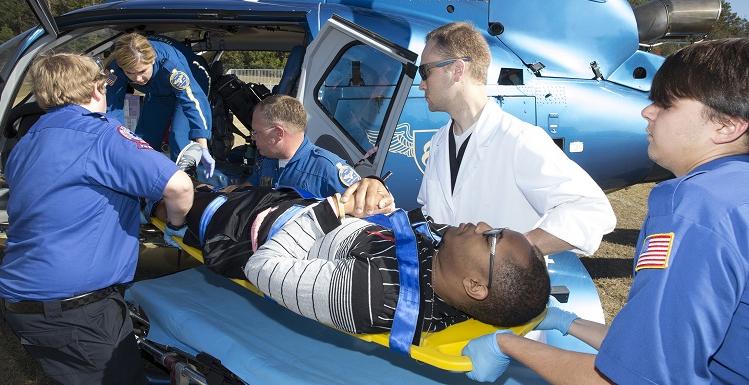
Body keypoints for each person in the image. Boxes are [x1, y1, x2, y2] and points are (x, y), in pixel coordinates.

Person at [462, 38, 749, 384]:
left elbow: (635, 378)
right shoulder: (734, 194)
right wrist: (571, 324)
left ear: (726, 125)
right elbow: (667, 345)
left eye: (666, 104)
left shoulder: (695, 208)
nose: (647, 112)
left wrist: (507, 344)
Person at [0, 53, 194, 385]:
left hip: (22, 299)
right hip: (76, 310)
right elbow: (179, 186)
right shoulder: (101, 135)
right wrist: (176, 226)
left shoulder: (28, 140)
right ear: (95, 88)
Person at [146, 178, 550, 335]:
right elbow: (407, 227)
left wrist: (335, 208)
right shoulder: (448, 264)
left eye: (490, 237)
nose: (480, 224)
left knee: (166, 196)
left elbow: (262, 268)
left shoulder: (374, 297)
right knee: (219, 185)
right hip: (283, 205)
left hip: (240, 229)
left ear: (476, 287)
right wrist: (376, 193)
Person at [417, 22, 615, 256]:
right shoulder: (441, 142)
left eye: (425, 72)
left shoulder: (519, 140)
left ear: (457, 70)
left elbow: (592, 210)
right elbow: (431, 215)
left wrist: (511, 251)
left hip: (503, 290)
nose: (421, 84)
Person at [106, 33, 216, 177]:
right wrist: (114, 142)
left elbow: (193, 101)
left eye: (142, 71)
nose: (138, 79)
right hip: (158, 90)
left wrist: (202, 144)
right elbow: (110, 105)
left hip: (194, 78)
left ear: (152, 60)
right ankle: (144, 184)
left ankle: (186, 187)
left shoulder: (171, 66)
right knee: (144, 140)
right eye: (130, 73)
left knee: (179, 138)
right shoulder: (115, 67)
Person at [249, 94, 362, 197]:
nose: (252, 138)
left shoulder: (328, 170)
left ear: (279, 133)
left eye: (256, 132)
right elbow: (251, 187)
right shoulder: (266, 160)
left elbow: (364, 208)